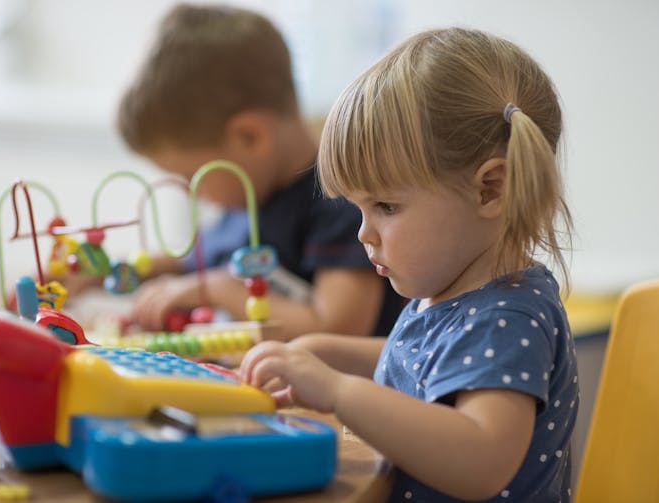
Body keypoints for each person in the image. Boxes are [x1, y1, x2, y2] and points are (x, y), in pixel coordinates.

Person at [240, 27, 579, 502]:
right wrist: (326, 351)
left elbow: (481, 459)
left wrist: (338, 391)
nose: (363, 233)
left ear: (490, 190)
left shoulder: (507, 317)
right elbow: (429, 369)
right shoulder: (459, 293)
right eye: (359, 209)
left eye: (387, 206)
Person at [115, 3, 404, 340]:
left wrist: (219, 289)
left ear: (249, 137)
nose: (185, 189)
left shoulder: (340, 200)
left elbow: (338, 327)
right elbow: (184, 263)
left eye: (190, 174)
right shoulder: (246, 198)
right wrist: (99, 272)